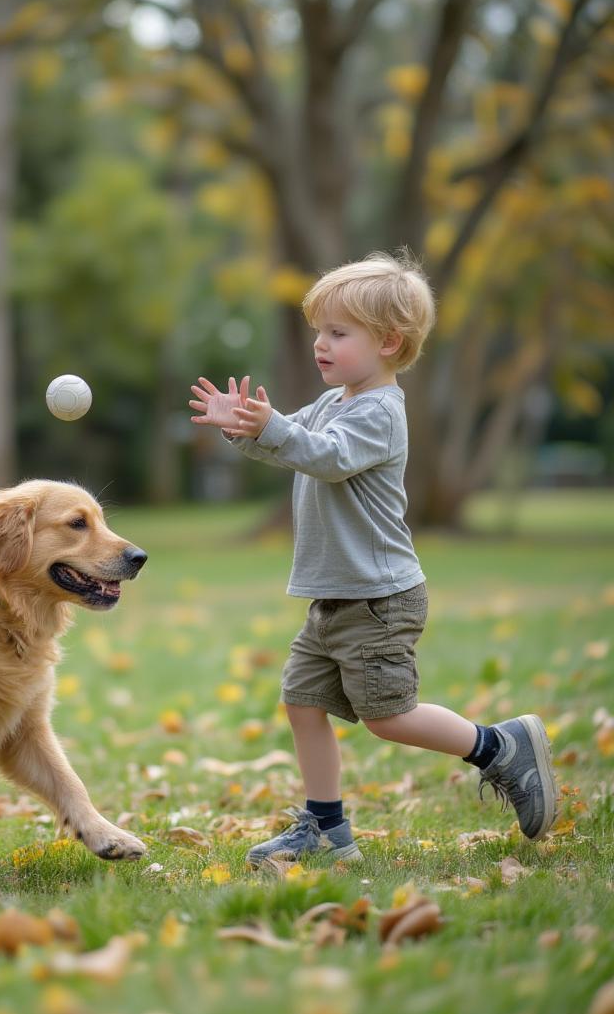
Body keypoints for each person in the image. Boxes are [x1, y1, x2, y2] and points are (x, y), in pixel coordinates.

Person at [188, 250, 559, 866]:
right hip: (335, 597)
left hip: (378, 599)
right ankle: (326, 827)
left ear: (388, 342)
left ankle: (500, 746)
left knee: (390, 717)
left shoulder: (381, 413)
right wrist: (245, 430)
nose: (320, 345)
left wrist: (271, 427)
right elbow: (292, 449)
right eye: (318, 331)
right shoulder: (336, 402)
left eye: (337, 333)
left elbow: (326, 456)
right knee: (301, 702)